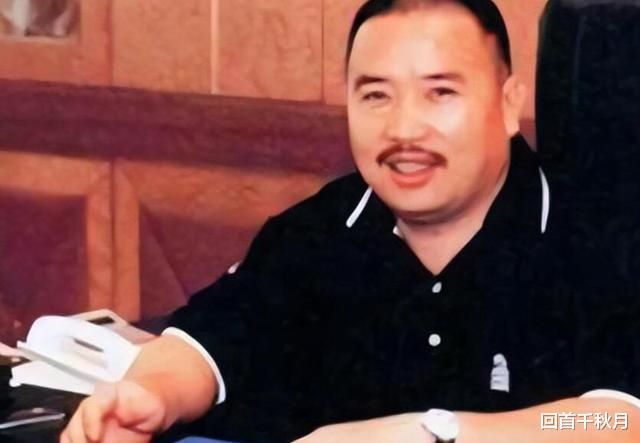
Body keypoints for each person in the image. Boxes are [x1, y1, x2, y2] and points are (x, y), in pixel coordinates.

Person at [60, 0, 640, 442]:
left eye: (439, 93)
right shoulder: (317, 233)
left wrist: (435, 432)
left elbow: (616, 419)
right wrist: (148, 396)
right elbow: (210, 342)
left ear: (509, 105)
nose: (404, 129)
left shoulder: (600, 239)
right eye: (375, 96)